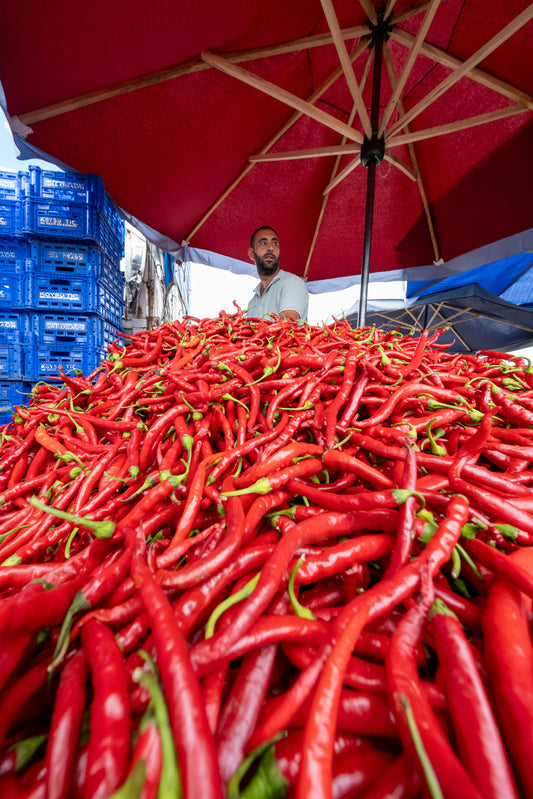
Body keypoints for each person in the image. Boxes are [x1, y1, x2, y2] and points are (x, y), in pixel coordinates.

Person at [246, 225, 309, 322]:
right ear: (251, 253)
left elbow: (288, 324)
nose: (271, 248)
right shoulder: (252, 303)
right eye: (263, 243)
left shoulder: (292, 283)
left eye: (275, 243)